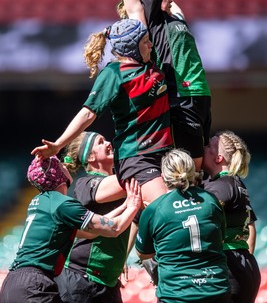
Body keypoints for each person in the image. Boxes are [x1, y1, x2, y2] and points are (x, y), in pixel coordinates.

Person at [31, 18, 173, 205]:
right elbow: (88, 113)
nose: (150, 44)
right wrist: (58, 145)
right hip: (138, 157)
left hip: (165, 153)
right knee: (168, 210)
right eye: (145, 41)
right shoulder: (114, 73)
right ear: (132, 48)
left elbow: (138, 9)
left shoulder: (148, 63)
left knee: (151, 218)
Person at [93, 0, 211, 171]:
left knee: (202, 164)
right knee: (191, 167)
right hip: (179, 94)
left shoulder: (174, 18)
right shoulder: (150, 19)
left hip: (200, 93)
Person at [0, 155, 141, 303]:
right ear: (56, 174)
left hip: (12, 284)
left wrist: (124, 206)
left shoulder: (40, 201)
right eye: (61, 165)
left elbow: (90, 233)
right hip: (35, 285)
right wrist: (133, 206)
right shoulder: (63, 204)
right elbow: (114, 228)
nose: (66, 167)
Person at [135, 148, 230, 303]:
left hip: (176, 294)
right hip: (216, 290)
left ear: (163, 176)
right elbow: (221, 240)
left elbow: (143, 254)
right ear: (193, 170)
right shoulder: (211, 201)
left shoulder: (154, 209)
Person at [55, 130, 138, 303]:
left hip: (108, 282)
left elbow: (134, 220)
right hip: (81, 279)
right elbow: (133, 180)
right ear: (91, 157)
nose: (108, 143)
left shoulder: (125, 189)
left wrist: (122, 257)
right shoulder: (86, 183)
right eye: (101, 142)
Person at [202, 130, 261, 303]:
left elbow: (199, 219)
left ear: (218, 158)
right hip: (244, 266)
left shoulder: (221, 187)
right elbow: (251, 227)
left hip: (230, 269)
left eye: (208, 146)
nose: (203, 148)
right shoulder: (235, 183)